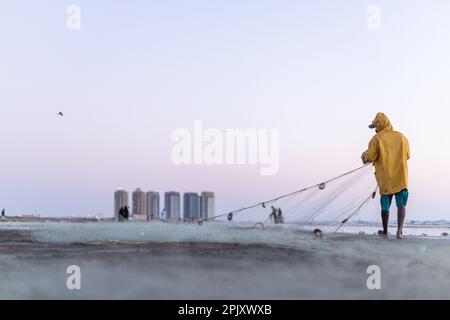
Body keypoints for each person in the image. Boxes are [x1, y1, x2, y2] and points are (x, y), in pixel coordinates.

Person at [362, 113, 410, 239]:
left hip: (385, 178)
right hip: (401, 176)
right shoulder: (402, 137)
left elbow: (370, 156)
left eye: (375, 126)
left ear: (380, 125)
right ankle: (399, 231)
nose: (375, 129)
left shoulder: (376, 138)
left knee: (385, 205)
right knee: (401, 205)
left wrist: (364, 157)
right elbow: (408, 155)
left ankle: (385, 230)